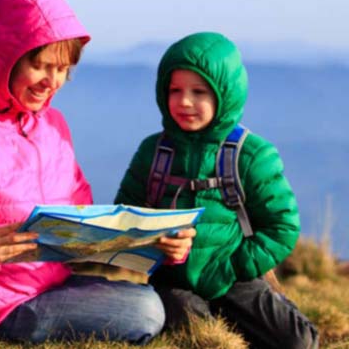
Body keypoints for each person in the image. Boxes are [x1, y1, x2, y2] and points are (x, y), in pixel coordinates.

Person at [0, 0, 192, 345]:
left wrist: (153, 242)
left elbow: (80, 225)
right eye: (40, 66)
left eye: (64, 69)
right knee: (142, 310)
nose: (53, 82)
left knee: (168, 303)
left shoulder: (52, 125)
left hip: (49, 286)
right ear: (2, 57)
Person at [114, 32, 318, 349]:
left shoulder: (251, 155)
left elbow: (282, 226)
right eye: (175, 90)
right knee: (200, 337)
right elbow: (124, 216)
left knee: (297, 341)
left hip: (234, 275)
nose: (184, 101)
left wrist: (234, 266)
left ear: (225, 94)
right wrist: (154, 243)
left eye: (199, 92)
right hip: (173, 281)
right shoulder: (152, 152)